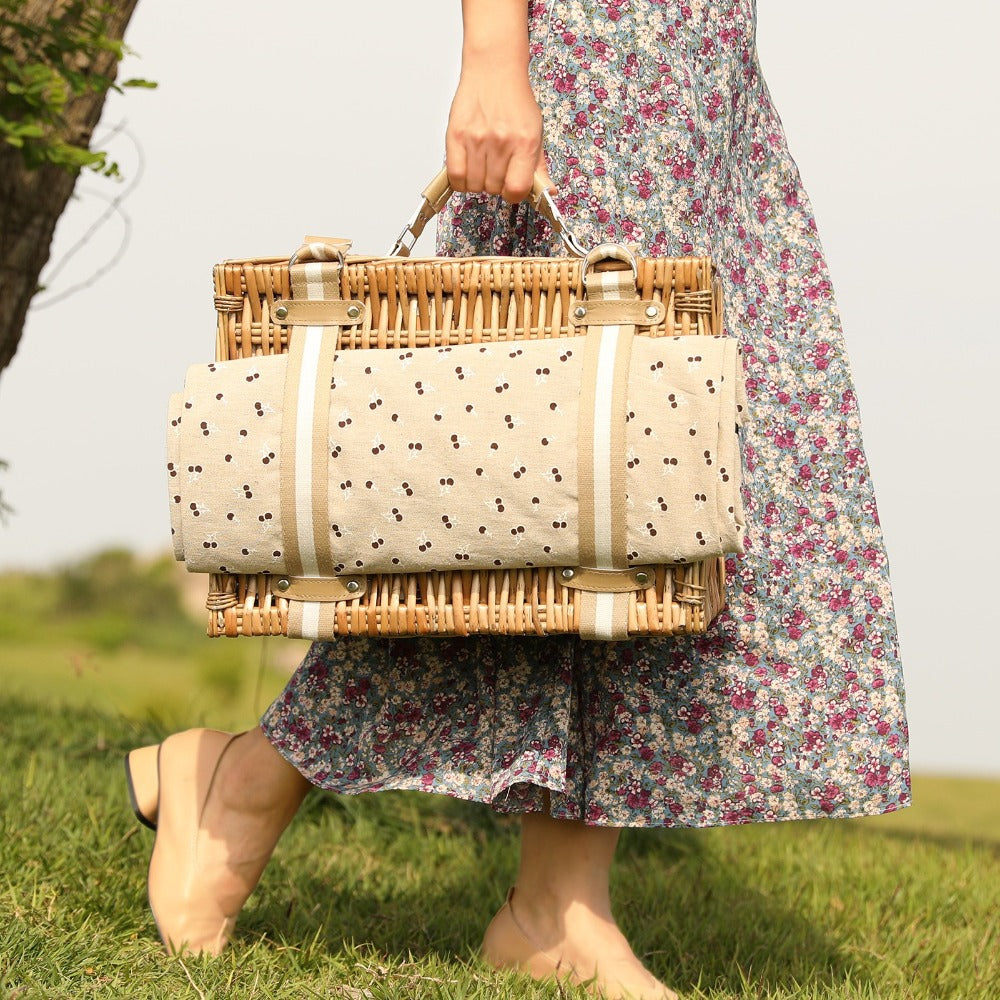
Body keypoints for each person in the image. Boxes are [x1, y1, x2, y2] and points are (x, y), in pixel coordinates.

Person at [126, 1, 911, 997]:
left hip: (698, 72)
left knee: (637, 501)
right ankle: (245, 782)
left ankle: (555, 902)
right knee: (539, 478)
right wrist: (492, 55)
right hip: (601, 53)